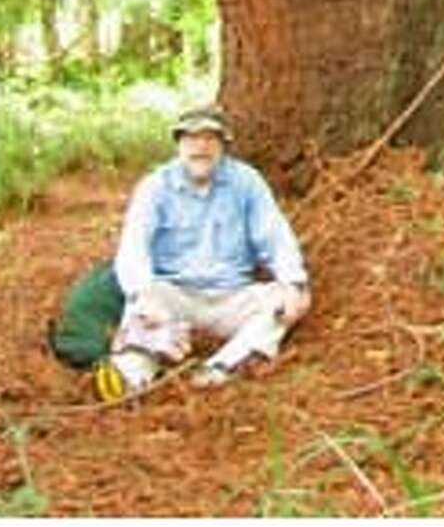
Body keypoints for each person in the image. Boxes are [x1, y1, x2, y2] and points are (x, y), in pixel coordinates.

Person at [91, 104, 311, 400]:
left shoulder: (246, 182)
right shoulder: (155, 186)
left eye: (210, 138)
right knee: (144, 302)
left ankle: (222, 367)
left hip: (231, 296)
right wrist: (144, 296)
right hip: (175, 296)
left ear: (224, 146)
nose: (200, 146)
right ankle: (131, 377)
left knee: (284, 299)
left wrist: (292, 282)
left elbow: (274, 236)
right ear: (178, 145)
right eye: (191, 138)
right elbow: (133, 247)